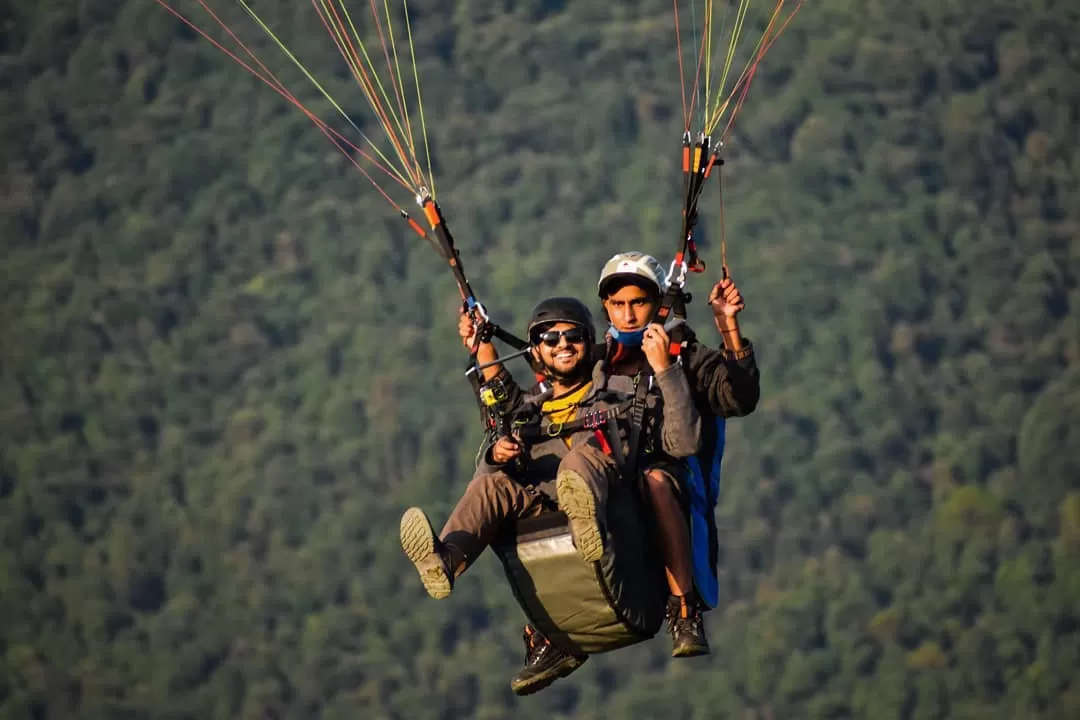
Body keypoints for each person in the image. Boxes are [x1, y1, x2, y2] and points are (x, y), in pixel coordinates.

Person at [401, 296, 701, 693]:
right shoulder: (528, 410)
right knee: (491, 482)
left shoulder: (617, 392)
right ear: (536, 350)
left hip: (608, 494)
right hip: (543, 502)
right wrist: (498, 452)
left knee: (578, 464)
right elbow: (496, 400)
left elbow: (682, 442)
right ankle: (447, 558)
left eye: (572, 336)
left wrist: (665, 371)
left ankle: (585, 518)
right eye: (549, 337)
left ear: (588, 341)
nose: (562, 344)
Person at [508, 251, 760, 693]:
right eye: (618, 305)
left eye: (637, 303)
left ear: (657, 303)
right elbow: (538, 400)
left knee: (655, 481)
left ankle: (684, 610)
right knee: (535, 481)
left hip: (663, 477)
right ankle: (551, 628)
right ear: (605, 307)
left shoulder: (685, 354)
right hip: (603, 476)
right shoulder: (594, 358)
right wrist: (481, 356)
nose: (627, 314)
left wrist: (728, 327)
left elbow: (738, 399)